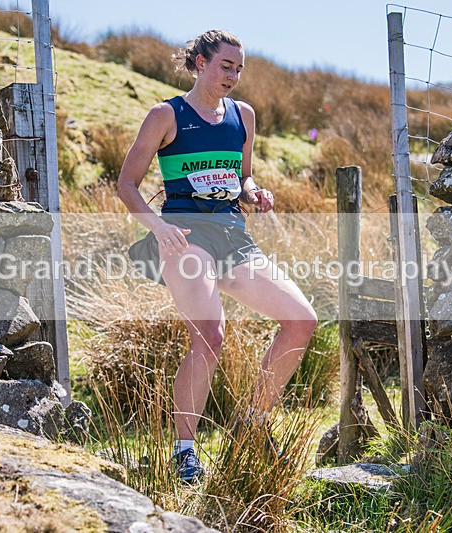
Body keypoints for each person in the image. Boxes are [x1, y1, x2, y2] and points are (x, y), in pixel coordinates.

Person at [117, 29, 317, 483]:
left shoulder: (243, 116)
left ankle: (251, 424)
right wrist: (159, 226)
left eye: (239, 68)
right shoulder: (166, 114)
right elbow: (126, 184)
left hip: (234, 236)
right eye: (226, 65)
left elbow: (241, 178)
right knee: (210, 335)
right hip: (185, 236)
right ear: (200, 63)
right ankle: (184, 452)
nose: (234, 75)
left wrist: (255, 193)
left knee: (302, 320)